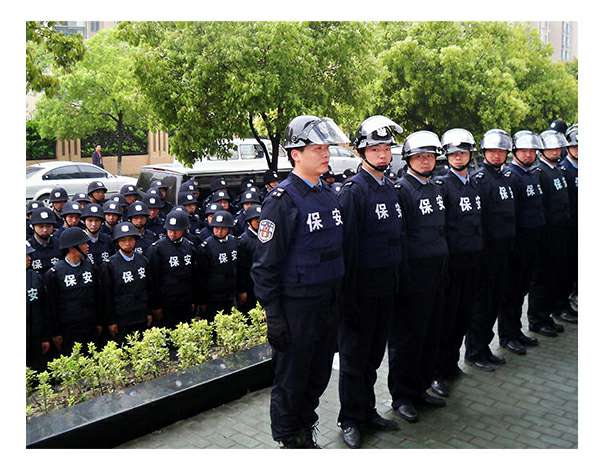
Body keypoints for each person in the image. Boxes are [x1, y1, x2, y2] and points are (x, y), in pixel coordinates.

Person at [252, 115, 348, 448]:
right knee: (292, 377)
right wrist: (274, 315)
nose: (326, 154)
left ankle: (305, 426)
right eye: (317, 149)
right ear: (296, 154)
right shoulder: (282, 201)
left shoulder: (328, 194)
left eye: (326, 148)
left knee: (318, 373)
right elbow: (264, 266)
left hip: (327, 302)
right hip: (298, 307)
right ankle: (288, 438)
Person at [336, 115, 403, 448]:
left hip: (385, 289)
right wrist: (348, 299)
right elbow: (346, 250)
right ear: (362, 151)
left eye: (386, 148)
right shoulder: (354, 192)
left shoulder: (389, 187)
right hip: (360, 293)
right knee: (354, 359)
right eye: (375, 148)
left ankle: (367, 411)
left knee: (374, 356)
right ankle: (349, 418)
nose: (382, 154)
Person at [387, 130, 448, 423]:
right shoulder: (402, 191)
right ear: (408, 159)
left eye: (430, 156)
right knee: (406, 340)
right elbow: (400, 238)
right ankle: (402, 396)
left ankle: (421, 387)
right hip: (413, 279)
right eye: (420, 156)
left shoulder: (435, 188)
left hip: (437, 275)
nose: (426, 161)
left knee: (430, 335)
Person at [431, 128, 483, 396]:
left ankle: (451, 364)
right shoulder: (442, 185)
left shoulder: (474, 184)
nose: (458, 157)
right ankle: (438, 373)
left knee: (464, 316)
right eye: (453, 153)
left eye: (463, 152)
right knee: (446, 320)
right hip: (451, 265)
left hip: (472, 261)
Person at [465, 129, 516, 371]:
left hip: (503, 252)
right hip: (486, 254)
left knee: (495, 302)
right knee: (482, 305)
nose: (497, 155)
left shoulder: (505, 177)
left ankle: (484, 347)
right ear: (484, 152)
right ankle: (475, 351)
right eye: (492, 151)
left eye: (501, 151)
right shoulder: (480, 180)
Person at [499, 131, 546, 355]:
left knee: (521, 291)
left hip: (531, 243)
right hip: (517, 245)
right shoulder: (511, 176)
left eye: (532, 151)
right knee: (511, 292)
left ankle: (516, 331)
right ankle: (507, 336)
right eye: (524, 151)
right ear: (515, 152)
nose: (528, 154)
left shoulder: (532, 174)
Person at [527, 130, 571, 336]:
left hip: (560, 233)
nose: (555, 151)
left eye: (557, 148)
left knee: (554, 276)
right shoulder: (540, 172)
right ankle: (537, 319)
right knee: (541, 279)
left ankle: (548, 315)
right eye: (550, 148)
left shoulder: (557, 170)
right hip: (546, 235)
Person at [44, 227, 102, 356]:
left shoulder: (91, 268)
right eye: (83, 243)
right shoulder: (54, 273)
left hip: (90, 325)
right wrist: (55, 333)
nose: (87, 246)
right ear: (72, 247)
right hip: (68, 330)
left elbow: (98, 297)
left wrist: (99, 322)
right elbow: (51, 306)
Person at [101, 222, 152, 344]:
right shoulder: (109, 265)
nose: (128, 243)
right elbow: (107, 296)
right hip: (122, 318)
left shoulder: (143, 260)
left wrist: (149, 312)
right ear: (117, 242)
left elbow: (149, 288)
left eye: (130, 239)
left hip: (141, 314)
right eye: (123, 240)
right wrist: (111, 321)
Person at [146, 209, 199, 328]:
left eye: (176, 230)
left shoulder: (189, 247)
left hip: (185, 300)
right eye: (170, 230)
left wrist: (194, 300)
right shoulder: (156, 249)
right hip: (166, 303)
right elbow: (152, 281)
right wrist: (155, 306)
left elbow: (194, 276)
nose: (172, 234)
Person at [197, 210, 242, 321]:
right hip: (213, 296)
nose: (219, 231)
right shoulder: (206, 246)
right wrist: (202, 300)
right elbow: (201, 276)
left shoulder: (235, 242)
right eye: (216, 228)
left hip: (231, 292)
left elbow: (240, 268)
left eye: (223, 228)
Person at [557, 124, 578, 321]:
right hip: (566, 227)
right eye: (574, 147)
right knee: (564, 269)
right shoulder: (563, 169)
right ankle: (560, 306)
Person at [26, 241, 50, 371]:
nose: (29, 258)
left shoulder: (34, 277)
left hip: (36, 337)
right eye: (26, 255)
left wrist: (45, 337)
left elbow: (44, 308)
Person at [237, 204, 262, 314]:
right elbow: (241, 269)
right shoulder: (244, 240)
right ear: (249, 221)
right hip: (250, 285)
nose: (259, 222)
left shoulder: (267, 236)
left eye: (261, 219)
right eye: (256, 220)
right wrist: (242, 290)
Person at [27, 207, 62, 274]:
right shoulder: (27, 248)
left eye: (48, 226)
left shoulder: (59, 244)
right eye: (41, 226)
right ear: (33, 227)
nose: (45, 230)